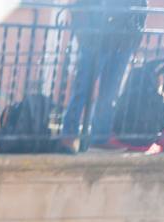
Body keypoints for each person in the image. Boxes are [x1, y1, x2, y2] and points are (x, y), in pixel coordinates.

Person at [59, 0, 147, 152]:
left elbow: (141, 9)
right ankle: (69, 134)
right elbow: (79, 7)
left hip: (123, 43)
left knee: (110, 93)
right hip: (95, 41)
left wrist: (135, 40)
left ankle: (99, 137)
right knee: (82, 89)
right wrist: (86, 36)